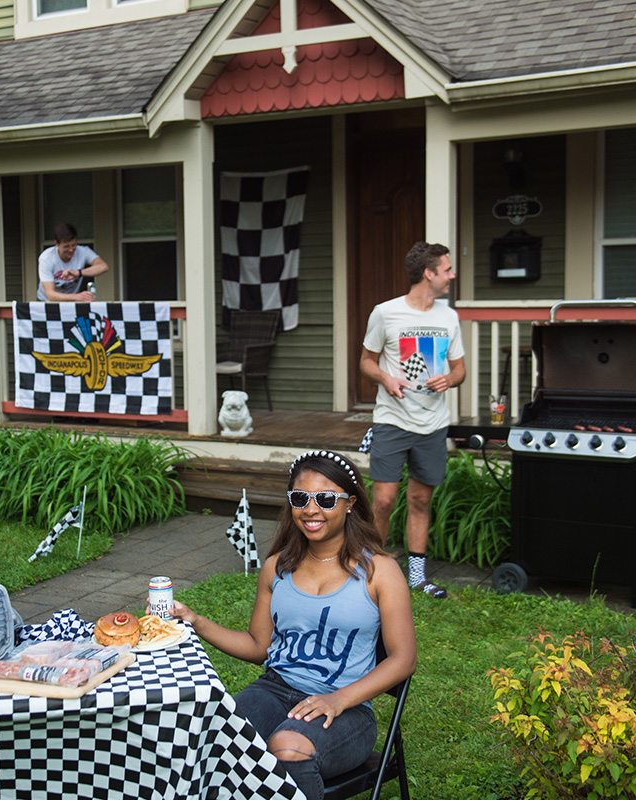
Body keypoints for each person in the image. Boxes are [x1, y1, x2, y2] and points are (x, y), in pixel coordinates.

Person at [172, 450, 416, 800]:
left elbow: (404, 658)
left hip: (346, 708)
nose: (311, 509)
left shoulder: (379, 571)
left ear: (350, 503)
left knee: (287, 748)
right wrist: (195, 621)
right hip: (275, 689)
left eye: (326, 499)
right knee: (213, 735)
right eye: (301, 498)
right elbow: (259, 647)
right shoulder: (277, 566)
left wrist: (338, 699)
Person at [359, 241, 466, 600]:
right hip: (392, 420)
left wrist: (449, 380)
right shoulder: (385, 313)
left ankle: (417, 576)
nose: (452, 275)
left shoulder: (448, 316)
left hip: (432, 425)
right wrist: (386, 378)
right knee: (384, 500)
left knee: (421, 500)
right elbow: (366, 361)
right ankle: (370, 569)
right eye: (447, 269)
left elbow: (460, 369)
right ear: (429, 273)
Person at [36, 222, 109, 302]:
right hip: (46, 303)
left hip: (72, 302)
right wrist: (77, 297)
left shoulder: (82, 252)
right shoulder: (47, 258)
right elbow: (50, 295)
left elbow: (103, 267)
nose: (71, 250)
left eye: (73, 245)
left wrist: (78, 273)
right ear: (56, 244)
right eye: (66, 246)